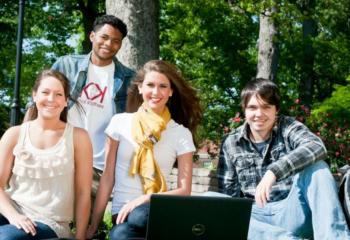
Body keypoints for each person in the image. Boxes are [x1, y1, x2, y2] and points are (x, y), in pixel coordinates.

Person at [214, 78, 350, 239]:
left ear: (276, 110)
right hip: (256, 218)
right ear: (244, 110)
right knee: (211, 200)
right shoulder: (231, 142)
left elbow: (316, 146)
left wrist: (274, 172)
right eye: (252, 107)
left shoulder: (288, 126)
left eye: (266, 107)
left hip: (293, 211)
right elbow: (229, 197)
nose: (259, 114)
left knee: (318, 167)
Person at [86, 60, 202, 240]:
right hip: (122, 212)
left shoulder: (180, 133)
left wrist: (146, 198)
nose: (156, 92)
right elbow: (108, 177)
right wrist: (94, 223)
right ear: (140, 88)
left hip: (157, 211)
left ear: (171, 91)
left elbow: (183, 190)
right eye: (150, 85)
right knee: (123, 230)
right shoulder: (120, 122)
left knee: (124, 232)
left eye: (163, 86)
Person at [0, 69, 92, 239]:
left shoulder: (79, 137)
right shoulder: (14, 134)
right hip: (11, 212)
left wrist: (80, 237)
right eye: (45, 92)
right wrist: (14, 216)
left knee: (6, 238)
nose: (51, 99)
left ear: (66, 101)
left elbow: (83, 193)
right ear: (34, 95)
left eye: (58, 94)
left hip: (48, 223)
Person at [51, 15, 135, 195]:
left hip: (99, 167)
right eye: (104, 37)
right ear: (92, 36)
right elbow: (36, 106)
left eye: (115, 41)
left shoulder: (130, 79)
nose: (108, 44)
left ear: (120, 45)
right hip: (60, 157)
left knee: (86, 220)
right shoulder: (66, 65)